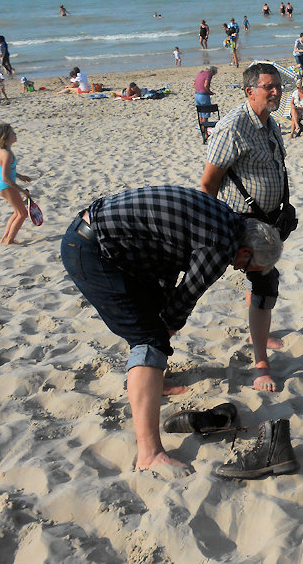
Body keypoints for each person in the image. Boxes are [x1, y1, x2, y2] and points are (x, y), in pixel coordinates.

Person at [61, 185, 282, 473]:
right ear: (245, 250)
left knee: (154, 321)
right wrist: (158, 343)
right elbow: (184, 299)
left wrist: (161, 322)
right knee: (149, 338)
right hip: (93, 250)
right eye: (246, 266)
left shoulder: (226, 217)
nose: (239, 269)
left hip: (105, 239)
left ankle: (152, 380)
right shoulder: (220, 247)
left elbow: (166, 258)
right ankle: (149, 453)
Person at [200, 63, 292, 392]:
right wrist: (209, 231)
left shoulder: (269, 124)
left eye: (278, 86)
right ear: (249, 91)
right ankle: (261, 363)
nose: (276, 92)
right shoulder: (233, 127)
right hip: (240, 225)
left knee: (264, 284)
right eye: (268, 87)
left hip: (268, 224)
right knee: (265, 284)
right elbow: (208, 184)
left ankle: (261, 334)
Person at [0, 123, 32, 245]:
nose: (15, 134)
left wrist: (20, 176)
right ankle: (10, 240)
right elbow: (6, 177)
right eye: (12, 133)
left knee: (17, 212)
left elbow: (8, 170)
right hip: (6, 186)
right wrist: (22, 190)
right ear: (5, 137)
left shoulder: (3, 151)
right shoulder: (7, 154)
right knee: (23, 214)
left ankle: (5, 237)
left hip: (1, 185)